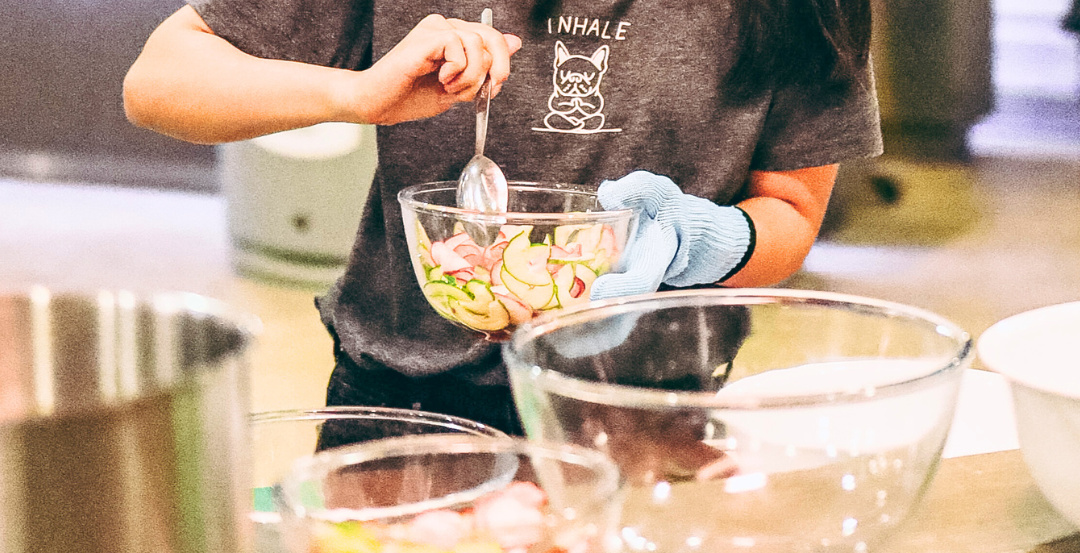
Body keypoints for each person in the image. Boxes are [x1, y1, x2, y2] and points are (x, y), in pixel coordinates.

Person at [124, 0, 883, 437]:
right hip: (406, 404)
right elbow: (161, 80)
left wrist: (693, 242)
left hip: (652, 410)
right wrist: (354, 94)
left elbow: (791, 205)